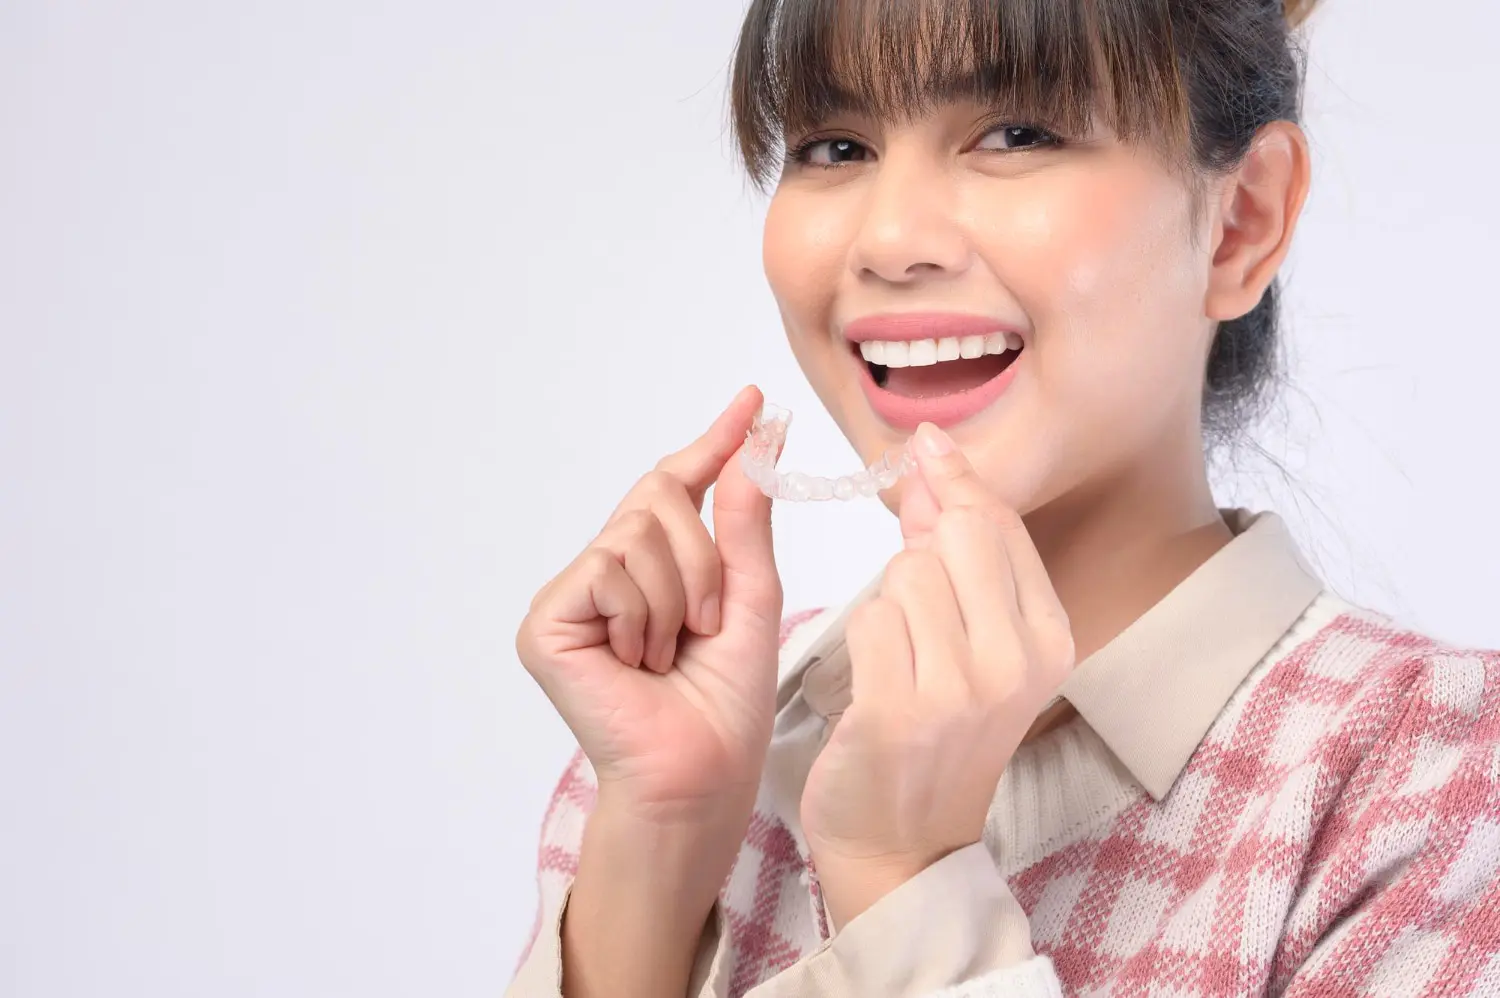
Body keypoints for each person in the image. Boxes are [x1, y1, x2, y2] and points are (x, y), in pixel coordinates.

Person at [507, 0, 1500, 995]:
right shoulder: (682, 745)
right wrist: (659, 850)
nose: (891, 240)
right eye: (834, 145)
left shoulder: (1438, 786)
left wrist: (902, 877)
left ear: (1242, 221)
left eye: (1017, 133)